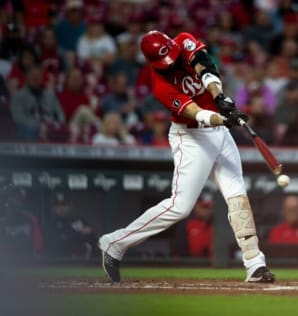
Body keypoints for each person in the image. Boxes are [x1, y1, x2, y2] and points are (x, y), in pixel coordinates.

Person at [98, 31, 275, 283]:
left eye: (171, 56)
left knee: (237, 194)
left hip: (219, 134)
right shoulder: (158, 84)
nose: (170, 63)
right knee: (180, 207)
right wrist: (222, 117)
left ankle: (255, 263)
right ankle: (114, 243)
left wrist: (219, 97)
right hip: (191, 137)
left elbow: (205, 65)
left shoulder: (183, 41)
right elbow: (194, 111)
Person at [10, 66, 65, 140]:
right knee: (31, 129)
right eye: (32, 75)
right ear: (26, 77)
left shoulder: (50, 95)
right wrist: (38, 125)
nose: (35, 77)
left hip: (50, 127)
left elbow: (60, 114)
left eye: (38, 75)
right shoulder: (18, 96)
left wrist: (56, 125)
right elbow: (18, 118)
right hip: (28, 128)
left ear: (41, 78)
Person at [43, 193, 96, 259]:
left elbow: (93, 240)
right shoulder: (50, 225)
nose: (61, 208)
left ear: (70, 206)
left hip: (77, 262)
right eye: (58, 205)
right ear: (54, 207)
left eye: (64, 205)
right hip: (55, 262)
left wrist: (88, 233)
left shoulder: (78, 222)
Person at [173, 191, 215, 258]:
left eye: (210, 207)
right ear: (195, 205)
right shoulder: (186, 222)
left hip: (213, 264)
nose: (208, 211)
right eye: (204, 207)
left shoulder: (219, 223)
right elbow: (180, 248)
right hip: (190, 264)